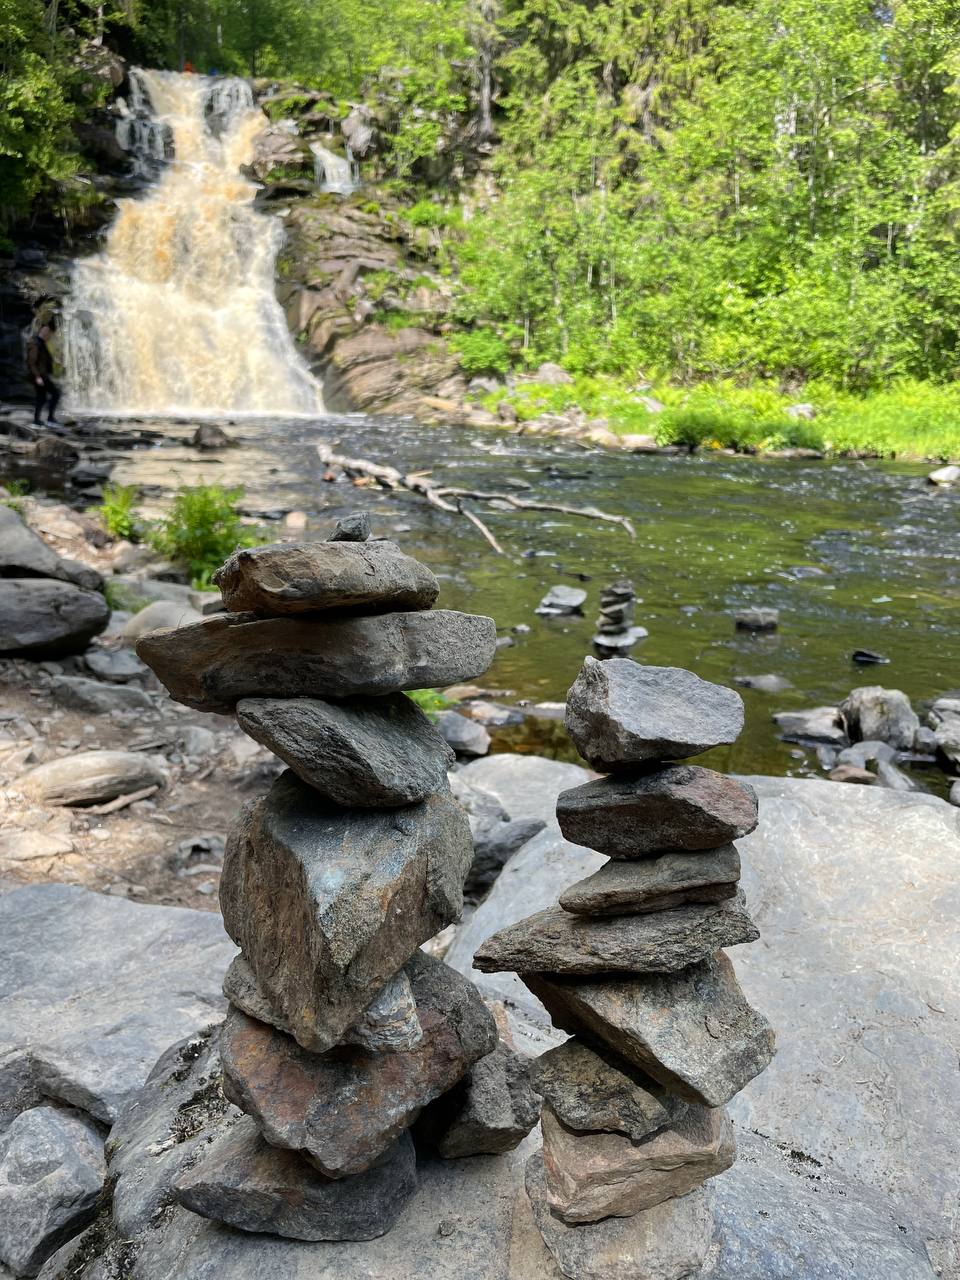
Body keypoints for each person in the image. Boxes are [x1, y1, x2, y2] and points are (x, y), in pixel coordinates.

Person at [26, 322, 61, 427]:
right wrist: (37, 377)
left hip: (41, 375)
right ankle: (49, 418)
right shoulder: (35, 343)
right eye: (50, 333)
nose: (50, 336)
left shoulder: (40, 342)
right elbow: (31, 362)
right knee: (55, 394)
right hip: (40, 375)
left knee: (41, 397)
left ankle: (37, 420)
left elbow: (43, 359)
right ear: (45, 331)